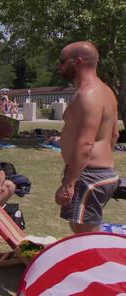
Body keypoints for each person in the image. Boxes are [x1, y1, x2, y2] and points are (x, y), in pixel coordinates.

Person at [56, 41, 120, 234]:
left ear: (78, 61)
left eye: (62, 61)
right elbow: (114, 135)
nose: (59, 67)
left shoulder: (87, 94)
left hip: (89, 175)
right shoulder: (106, 91)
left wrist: (69, 184)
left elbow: (85, 143)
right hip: (99, 172)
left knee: (87, 237)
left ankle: (98, 265)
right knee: (80, 229)